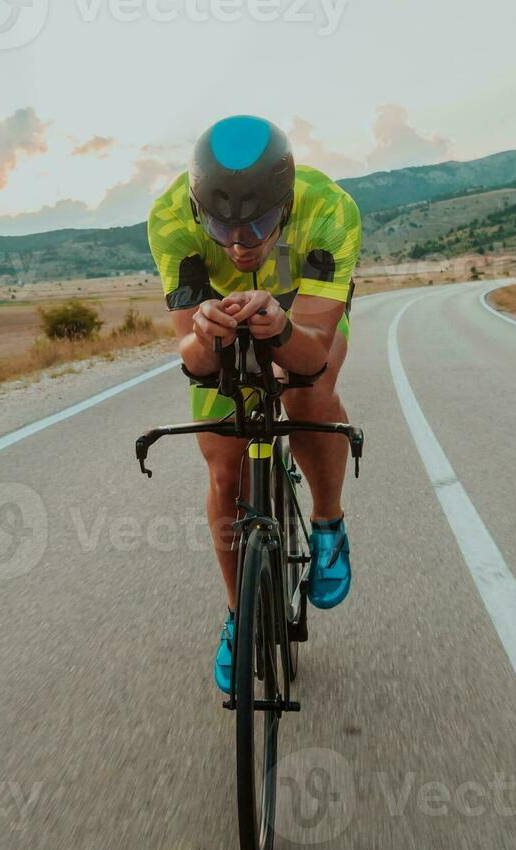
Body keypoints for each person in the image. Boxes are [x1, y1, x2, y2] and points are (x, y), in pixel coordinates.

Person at [145, 115, 360, 694]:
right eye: (222, 227)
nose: (240, 244)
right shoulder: (169, 218)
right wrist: (207, 335)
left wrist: (281, 328)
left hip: (294, 281)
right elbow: (192, 360)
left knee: (304, 388)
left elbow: (312, 353)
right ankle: (241, 614)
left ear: (284, 204)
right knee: (224, 468)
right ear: (197, 208)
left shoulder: (329, 210)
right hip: (215, 308)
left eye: (257, 224)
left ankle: (328, 523)